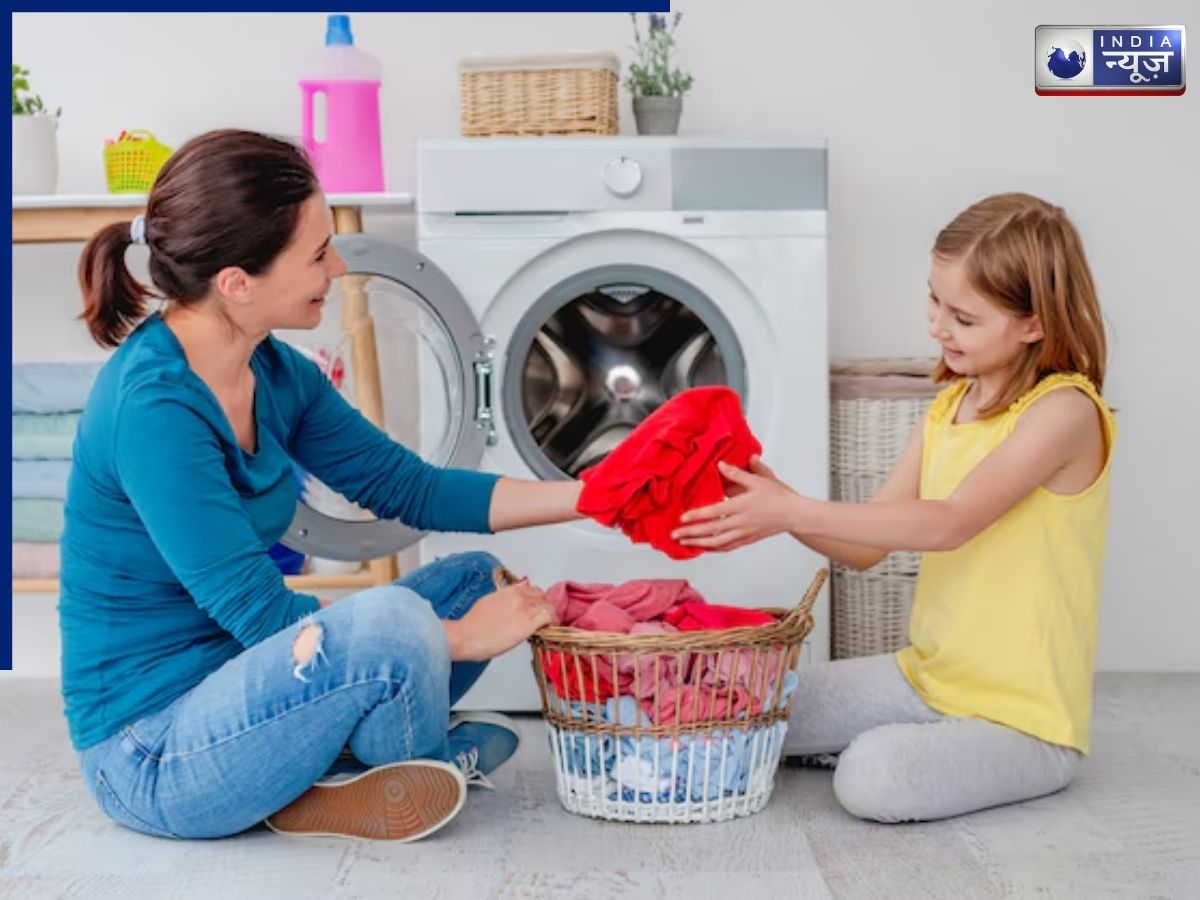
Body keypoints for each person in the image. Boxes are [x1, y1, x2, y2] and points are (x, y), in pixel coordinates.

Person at [65, 129, 585, 842]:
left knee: (473, 580)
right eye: (316, 254)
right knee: (394, 627)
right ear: (237, 283)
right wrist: (457, 640)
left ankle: (338, 773)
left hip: (257, 689)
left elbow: (415, 490)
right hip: (153, 752)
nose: (337, 268)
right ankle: (395, 762)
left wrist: (594, 497)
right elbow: (263, 617)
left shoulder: (278, 374)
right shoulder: (152, 408)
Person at [673, 192, 1114, 823]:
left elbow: (950, 522)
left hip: (1024, 721)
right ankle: (896, 746)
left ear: (1033, 324)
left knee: (871, 777)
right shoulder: (948, 408)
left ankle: (886, 752)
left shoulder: (1064, 413)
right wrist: (784, 504)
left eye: (964, 317)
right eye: (935, 300)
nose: (938, 326)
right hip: (925, 680)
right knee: (739, 698)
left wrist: (791, 512)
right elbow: (866, 547)